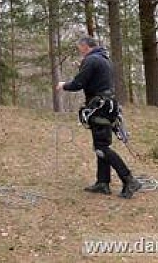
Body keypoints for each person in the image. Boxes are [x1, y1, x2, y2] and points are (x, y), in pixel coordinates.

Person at [56, 36, 141, 199]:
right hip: (108, 106)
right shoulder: (104, 59)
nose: (79, 51)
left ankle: (129, 179)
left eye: (79, 48)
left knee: (101, 147)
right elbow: (95, 80)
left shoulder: (91, 60)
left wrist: (63, 85)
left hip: (100, 108)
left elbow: (79, 83)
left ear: (85, 46)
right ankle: (103, 183)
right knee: (101, 145)